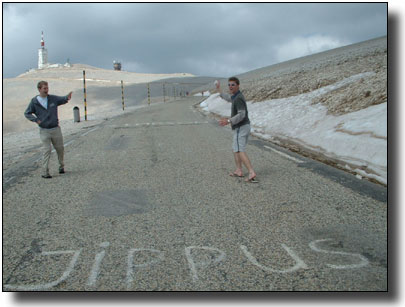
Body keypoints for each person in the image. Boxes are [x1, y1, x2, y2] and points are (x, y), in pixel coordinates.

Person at [24, 81, 73, 178]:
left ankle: (61, 166)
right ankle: (45, 172)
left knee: (60, 149)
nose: (47, 90)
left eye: (47, 88)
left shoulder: (52, 99)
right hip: (44, 130)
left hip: (55, 129)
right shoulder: (34, 102)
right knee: (47, 150)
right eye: (44, 88)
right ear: (39, 89)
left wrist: (67, 97)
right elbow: (27, 113)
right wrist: (36, 120)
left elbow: (62, 99)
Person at [219, 77, 257, 182]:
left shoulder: (239, 98)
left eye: (233, 85)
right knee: (236, 149)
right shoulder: (235, 97)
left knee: (240, 150)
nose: (230, 86)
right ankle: (239, 170)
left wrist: (228, 121)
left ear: (238, 85)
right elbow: (227, 97)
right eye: (229, 85)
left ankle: (251, 172)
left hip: (241, 127)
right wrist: (218, 89)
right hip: (241, 127)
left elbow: (242, 114)